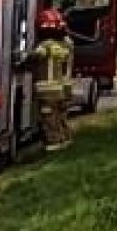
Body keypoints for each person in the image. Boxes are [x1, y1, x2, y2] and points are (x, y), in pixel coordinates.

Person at [27, 9, 75, 151]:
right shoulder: (64, 45)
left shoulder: (45, 46)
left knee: (48, 117)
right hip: (60, 89)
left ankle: (53, 143)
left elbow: (35, 57)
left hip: (46, 91)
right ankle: (65, 139)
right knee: (60, 116)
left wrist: (22, 59)